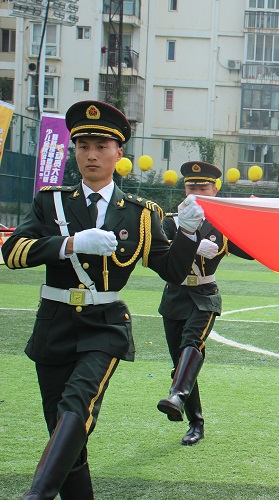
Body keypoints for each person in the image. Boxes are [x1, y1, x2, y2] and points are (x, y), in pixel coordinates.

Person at [1, 100, 203, 499]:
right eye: (83, 146)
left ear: (118, 153)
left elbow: (172, 270)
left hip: (104, 325)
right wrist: (70, 243)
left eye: (101, 146)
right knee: (63, 428)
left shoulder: (141, 214)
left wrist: (189, 234)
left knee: (78, 404)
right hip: (54, 323)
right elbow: (14, 253)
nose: (91, 154)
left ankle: (36, 495)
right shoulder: (51, 201)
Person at [156, 161, 253, 445]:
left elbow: (251, 250)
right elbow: (160, 252)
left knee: (191, 344)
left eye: (203, 187)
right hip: (175, 295)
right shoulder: (171, 221)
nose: (196, 192)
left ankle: (177, 396)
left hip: (204, 295)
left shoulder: (223, 225)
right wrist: (191, 244)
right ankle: (195, 421)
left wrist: (258, 225)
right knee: (181, 364)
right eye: (191, 187)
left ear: (214, 189)